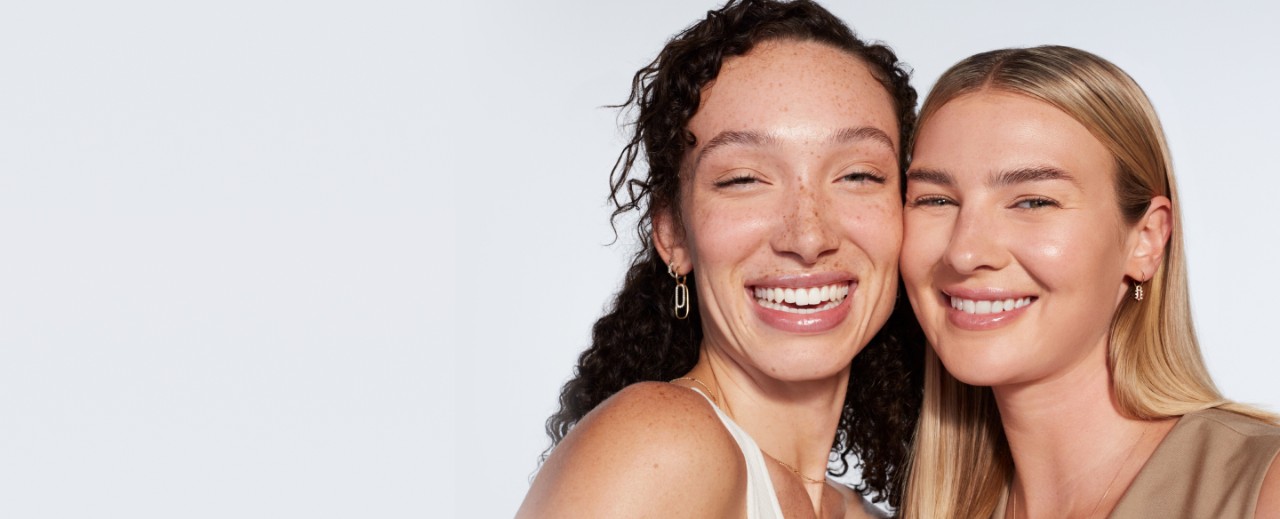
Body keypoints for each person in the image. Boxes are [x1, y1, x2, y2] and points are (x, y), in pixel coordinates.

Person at [516, 0, 924, 517]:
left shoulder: (863, 511)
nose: (808, 235)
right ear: (672, 234)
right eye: (743, 179)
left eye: (858, 175)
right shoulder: (659, 446)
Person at [897, 45, 1280, 518]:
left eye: (1033, 202)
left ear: (1145, 240)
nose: (964, 251)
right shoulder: (932, 506)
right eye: (935, 200)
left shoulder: (1262, 489)